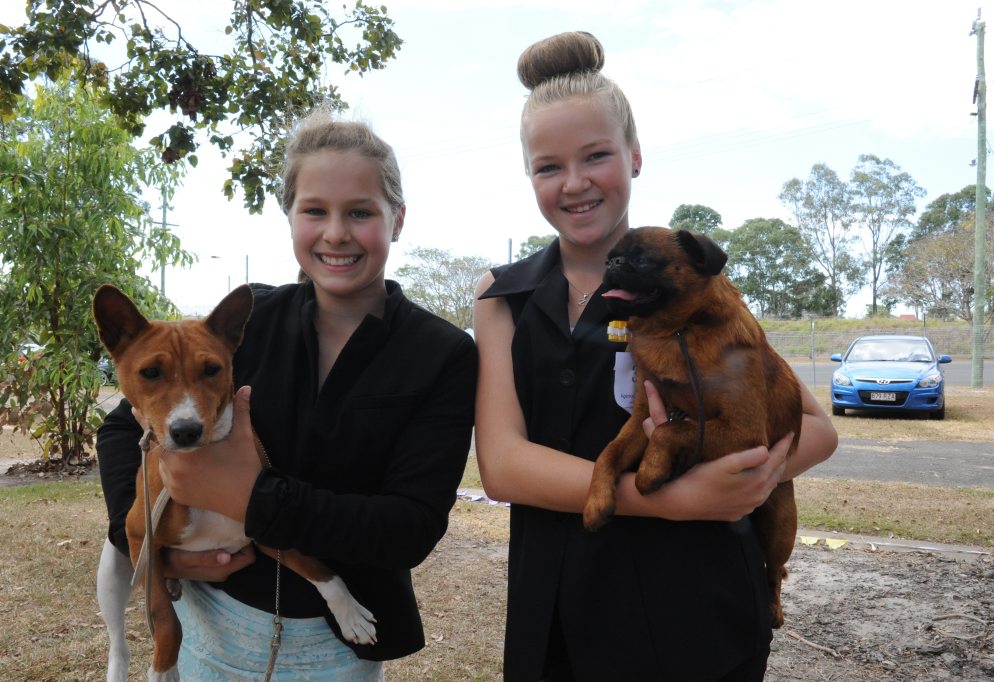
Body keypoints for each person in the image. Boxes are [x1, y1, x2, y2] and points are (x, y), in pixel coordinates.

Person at [473, 31, 838, 681]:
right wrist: (673, 498)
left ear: (634, 156)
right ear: (528, 175)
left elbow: (817, 430)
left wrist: (746, 475)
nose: (576, 183)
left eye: (596, 156)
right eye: (549, 166)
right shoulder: (503, 297)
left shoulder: (695, 284)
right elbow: (502, 467)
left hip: (697, 609)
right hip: (557, 605)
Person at [97, 110, 478, 679]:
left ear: (397, 219)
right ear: (290, 217)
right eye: (314, 211)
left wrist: (252, 498)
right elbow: (125, 428)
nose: (336, 233)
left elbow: (410, 529)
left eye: (360, 212)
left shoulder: (440, 353)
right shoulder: (244, 327)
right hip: (210, 629)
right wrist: (151, 539)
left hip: (340, 650)